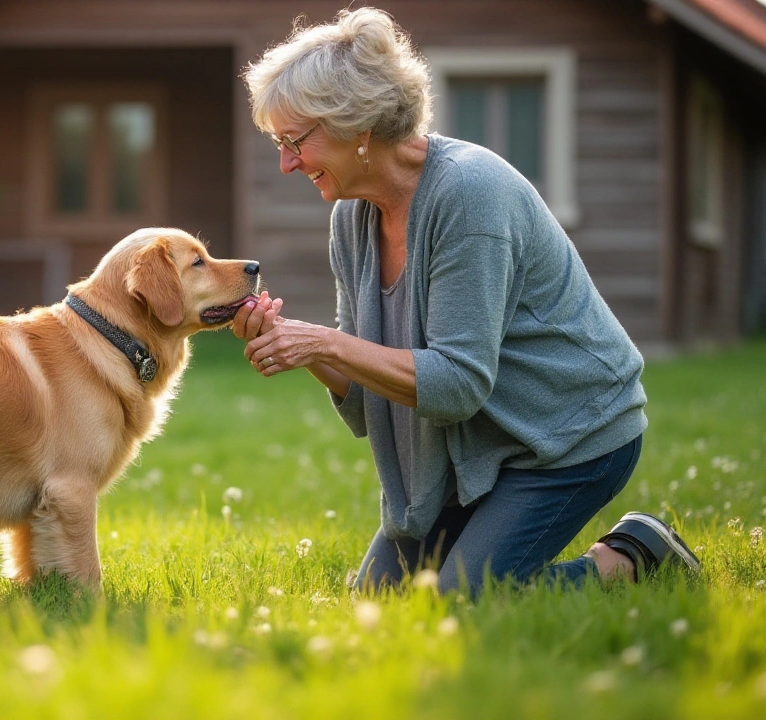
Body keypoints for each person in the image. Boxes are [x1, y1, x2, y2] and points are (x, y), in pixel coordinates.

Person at [233, 7, 699, 596]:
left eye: (295, 141)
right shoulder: (351, 218)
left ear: (358, 126)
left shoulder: (471, 195)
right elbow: (366, 399)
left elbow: (456, 385)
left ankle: (634, 556)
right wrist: (300, 348)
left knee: (459, 601)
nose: (286, 163)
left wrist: (324, 341)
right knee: (377, 597)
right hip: (468, 449)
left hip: (565, 437)